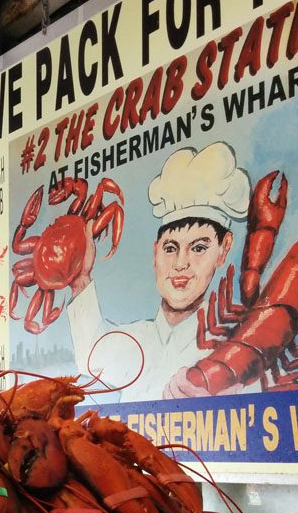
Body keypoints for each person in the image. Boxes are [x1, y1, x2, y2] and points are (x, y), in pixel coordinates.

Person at [66, 142, 251, 401]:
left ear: (223, 249)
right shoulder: (136, 340)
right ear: (155, 252)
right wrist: (80, 279)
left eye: (198, 248)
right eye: (170, 248)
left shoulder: (236, 347)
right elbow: (90, 357)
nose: (180, 263)